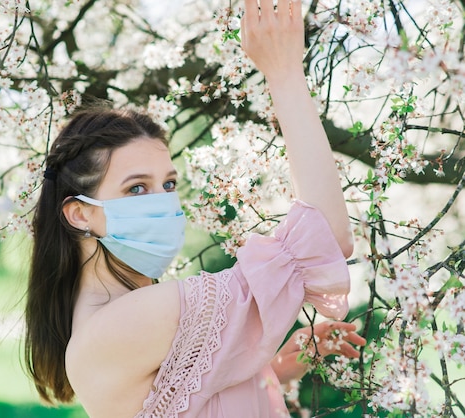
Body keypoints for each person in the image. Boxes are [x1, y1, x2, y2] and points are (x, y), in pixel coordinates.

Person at [24, 0, 366, 416]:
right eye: (136, 189)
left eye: (168, 184)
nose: (164, 201)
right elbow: (328, 237)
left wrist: (273, 368)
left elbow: (186, 400)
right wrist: (284, 73)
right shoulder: (125, 322)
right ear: (81, 214)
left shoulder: (112, 323)